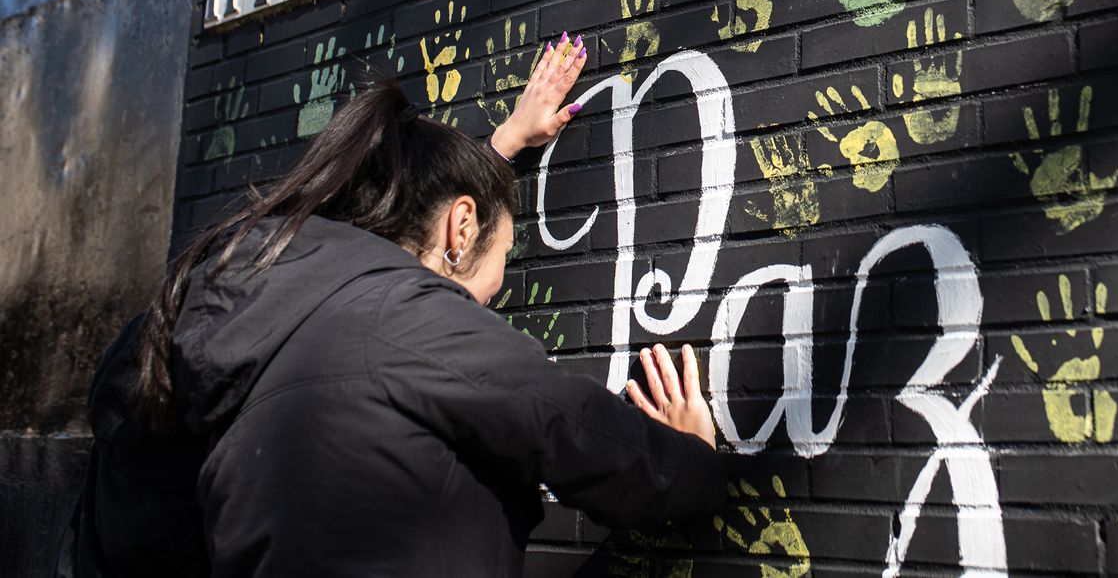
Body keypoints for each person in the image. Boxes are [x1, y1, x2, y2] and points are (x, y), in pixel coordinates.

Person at [58, 32, 724, 577]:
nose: (486, 301)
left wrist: (492, 157)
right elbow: (571, 431)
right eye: (497, 270)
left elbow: (381, 262)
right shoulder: (409, 321)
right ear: (461, 228)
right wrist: (686, 459)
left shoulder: (193, 322)